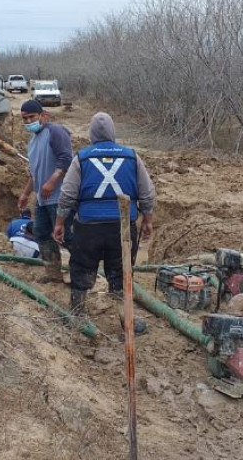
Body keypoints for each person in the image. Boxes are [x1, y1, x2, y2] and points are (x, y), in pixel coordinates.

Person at [53, 112, 156, 334]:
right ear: (113, 132)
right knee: (121, 273)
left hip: (88, 227)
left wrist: (59, 222)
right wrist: (147, 220)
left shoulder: (81, 158)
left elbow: (67, 195)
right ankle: (125, 320)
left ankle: (78, 314)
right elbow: (147, 193)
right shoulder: (132, 157)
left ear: (91, 134)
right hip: (122, 229)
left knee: (81, 268)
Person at [17, 100, 74, 283]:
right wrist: (26, 194)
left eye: (32, 117)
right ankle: (53, 273)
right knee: (41, 233)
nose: (28, 122)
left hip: (60, 198)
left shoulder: (55, 132)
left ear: (42, 115)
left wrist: (52, 181)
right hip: (42, 200)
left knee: (68, 238)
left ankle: (80, 274)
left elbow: (66, 159)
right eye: (25, 119)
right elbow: (34, 173)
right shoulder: (33, 142)